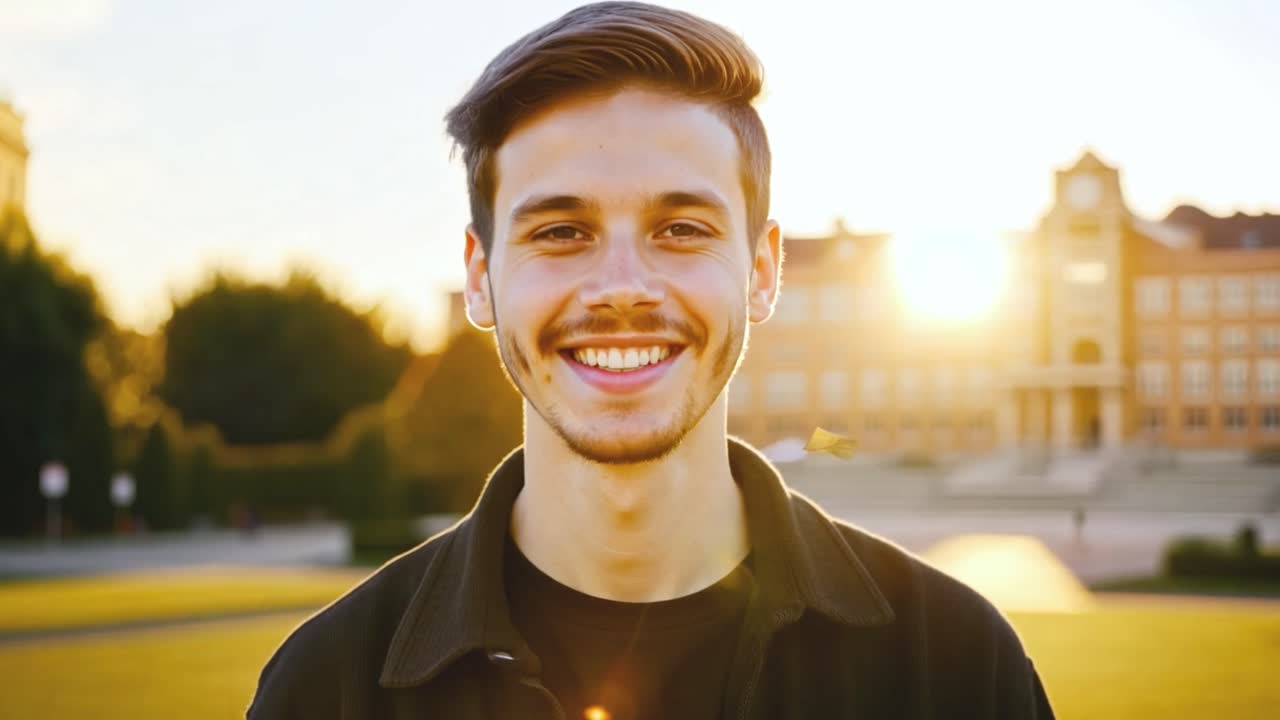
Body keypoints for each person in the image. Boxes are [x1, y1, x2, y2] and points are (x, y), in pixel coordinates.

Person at [248, 3, 1055, 717]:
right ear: (479, 279)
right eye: (561, 231)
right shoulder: (327, 692)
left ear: (762, 273)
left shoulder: (957, 668)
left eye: (682, 229)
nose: (622, 289)